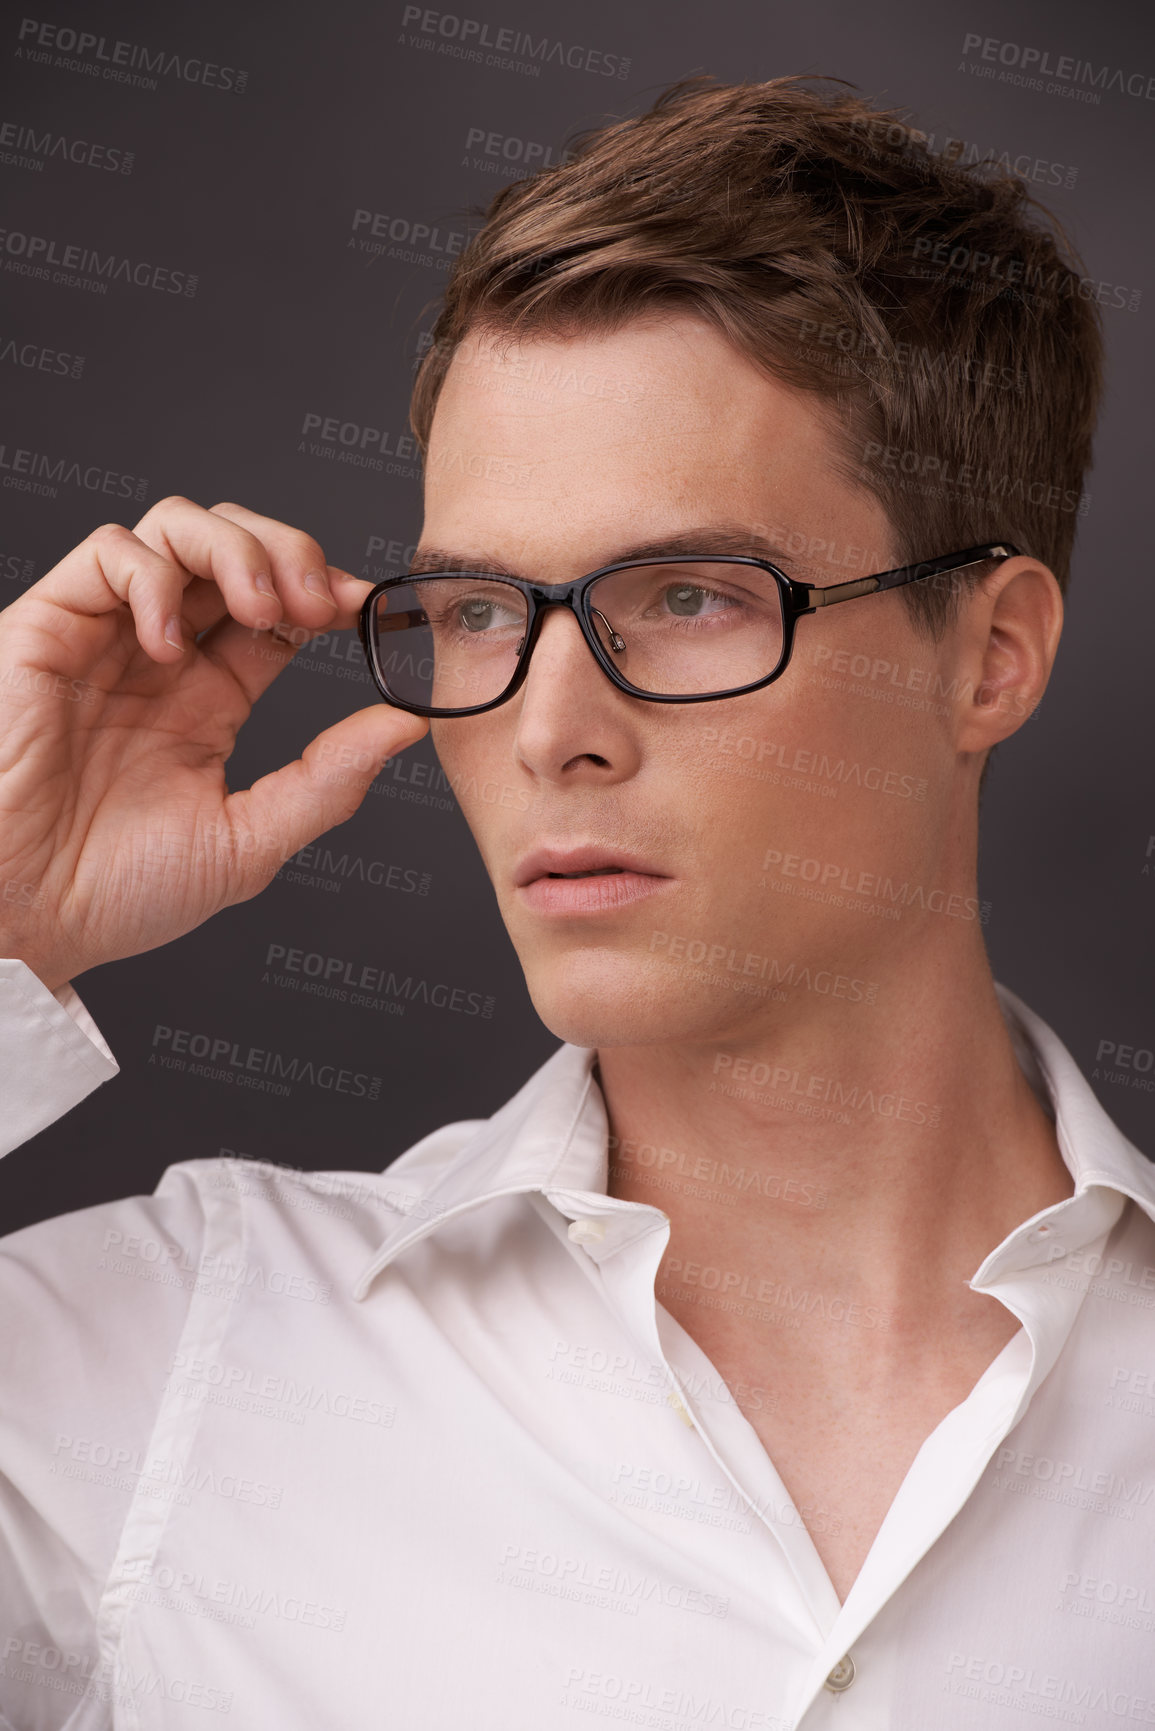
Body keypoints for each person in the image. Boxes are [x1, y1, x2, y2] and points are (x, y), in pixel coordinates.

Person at [0, 74, 1149, 1730]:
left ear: (992, 654)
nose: (549, 730)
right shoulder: (171, 1356)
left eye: (683, 596)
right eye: (478, 609)